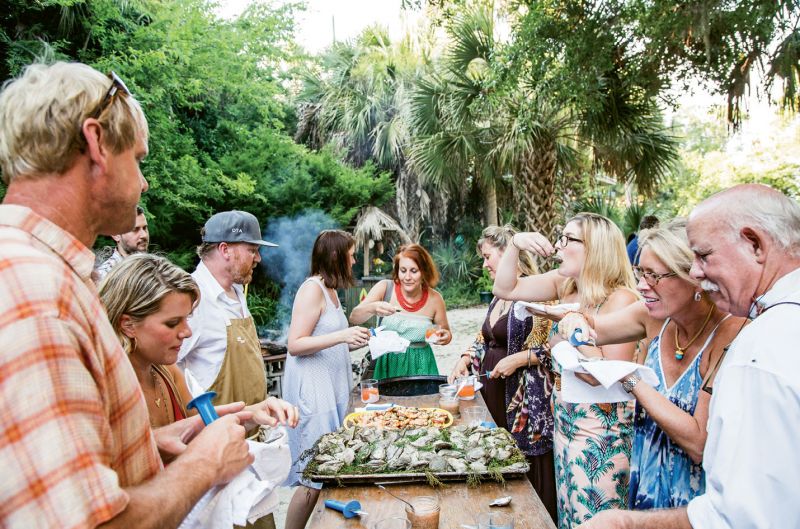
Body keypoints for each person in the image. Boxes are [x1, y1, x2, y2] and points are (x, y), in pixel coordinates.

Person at [0, 62, 252, 528]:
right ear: (97, 143)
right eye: (137, 159)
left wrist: (148, 442)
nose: (143, 182)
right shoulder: (38, 294)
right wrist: (206, 463)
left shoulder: (45, 273)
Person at [578, 184, 800, 529]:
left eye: (704, 256)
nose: (697, 273)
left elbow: (744, 515)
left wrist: (623, 524)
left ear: (755, 244)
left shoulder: (756, 344)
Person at [558, 220, 745, 510]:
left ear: (693, 276)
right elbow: (591, 324)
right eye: (640, 273)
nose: (642, 286)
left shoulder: (730, 331)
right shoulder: (652, 315)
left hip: (692, 500)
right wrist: (573, 320)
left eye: (654, 276)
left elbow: (698, 442)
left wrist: (630, 379)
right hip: (645, 481)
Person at [493, 212, 639, 529]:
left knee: (597, 520)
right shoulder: (565, 286)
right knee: (569, 518)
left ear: (594, 248)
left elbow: (606, 377)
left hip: (602, 435)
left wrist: (568, 333)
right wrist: (516, 243)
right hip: (566, 421)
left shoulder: (621, 299)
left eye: (567, 238)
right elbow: (505, 288)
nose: (558, 245)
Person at [99, 253, 299, 431]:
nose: (186, 332)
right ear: (128, 325)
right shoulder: (103, 389)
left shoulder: (166, 372)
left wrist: (255, 412)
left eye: (187, 318)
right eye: (172, 323)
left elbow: (201, 425)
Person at [448, 225, 557, 522]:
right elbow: (485, 337)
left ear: (508, 253)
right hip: (494, 391)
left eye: (487, 256)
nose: (485, 264)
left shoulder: (535, 292)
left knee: (524, 465)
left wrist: (519, 360)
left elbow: (554, 346)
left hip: (522, 399)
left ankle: (532, 521)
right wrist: (465, 356)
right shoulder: (498, 297)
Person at [282, 229, 371, 529]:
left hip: (332, 390)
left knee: (332, 468)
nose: (355, 259)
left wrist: (353, 340)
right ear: (336, 256)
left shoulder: (332, 290)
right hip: (313, 392)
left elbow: (327, 339)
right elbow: (295, 344)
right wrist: (342, 335)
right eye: (351, 254)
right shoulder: (312, 289)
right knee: (314, 476)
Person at [178, 210, 278, 411]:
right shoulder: (193, 298)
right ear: (225, 250)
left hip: (252, 430)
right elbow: (165, 367)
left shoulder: (237, 291)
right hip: (215, 434)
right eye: (252, 249)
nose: (258, 258)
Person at [350, 243, 452, 379]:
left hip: (421, 367)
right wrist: (372, 307)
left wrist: (445, 336)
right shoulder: (385, 288)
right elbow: (354, 318)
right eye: (403, 270)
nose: (407, 277)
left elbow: (445, 333)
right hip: (387, 365)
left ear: (424, 272)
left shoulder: (435, 299)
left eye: (414, 271)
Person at [95, 204, 150, 281]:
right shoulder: (105, 277)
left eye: (144, 228)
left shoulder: (154, 269)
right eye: (135, 229)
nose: (144, 235)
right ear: (116, 234)